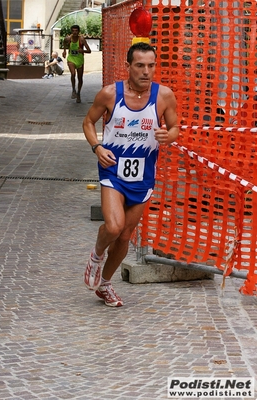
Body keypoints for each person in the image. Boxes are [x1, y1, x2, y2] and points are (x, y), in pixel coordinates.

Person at [82, 42, 179, 307]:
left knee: (125, 235)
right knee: (113, 227)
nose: (146, 71)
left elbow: (175, 128)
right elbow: (88, 121)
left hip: (143, 175)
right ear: (128, 67)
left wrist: (166, 136)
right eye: (140, 65)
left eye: (151, 65)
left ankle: (105, 284)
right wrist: (97, 146)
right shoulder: (110, 94)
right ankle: (97, 254)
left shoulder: (164, 96)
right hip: (113, 169)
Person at [62, 24, 91, 103]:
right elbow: (64, 41)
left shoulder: (81, 39)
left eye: (76, 31)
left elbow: (89, 50)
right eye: (73, 31)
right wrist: (64, 51)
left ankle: (78, 93)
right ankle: (73, 90)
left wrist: (82, 51)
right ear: (71, 31)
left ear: (78, 31)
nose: (74, 32)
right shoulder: (69, 38)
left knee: (80, 78)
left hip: (79, 59)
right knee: (73, 74)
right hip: (71, 58)